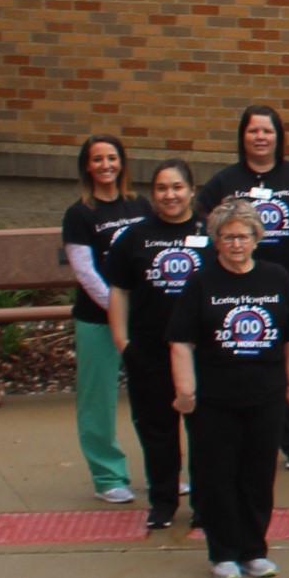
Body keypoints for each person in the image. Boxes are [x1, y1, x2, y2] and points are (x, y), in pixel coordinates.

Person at [167, 199, 289, 578]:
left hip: (266, 395)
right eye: (228, 237)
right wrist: (186, 391)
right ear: (216, 240)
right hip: (215, 399)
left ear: (256, 238)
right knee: (218, 476)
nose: (236, 244)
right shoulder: (201, 283)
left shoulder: (275, 277)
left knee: (258, 475)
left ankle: (253, 549)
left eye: (243, 236)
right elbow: (181, 341)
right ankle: (223, 553)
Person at [199, 105, 289, 469]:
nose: (260, 137)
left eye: (267, 131)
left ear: (279, 137)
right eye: (253, 131)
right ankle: (247, 438)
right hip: (236, 294)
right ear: (242, 136)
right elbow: (204, 233)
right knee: (247, 363)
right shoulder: (223, 184)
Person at [108, 161, 209, 533]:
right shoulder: (134, 237)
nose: (171, 195)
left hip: (203, 354)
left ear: (192, 190)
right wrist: (123, 343)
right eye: (162, 188)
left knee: (206, 432)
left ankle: (205, 505)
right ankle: (163, 501)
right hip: (150, 351)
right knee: (157, 431)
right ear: (152, 194)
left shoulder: (211, 232)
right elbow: (119, 291)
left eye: (178, 187)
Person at [62, 136, 143, 505]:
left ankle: (164, 472)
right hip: (97, 319)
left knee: (155, 397)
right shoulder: (79, 214)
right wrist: (117, 308)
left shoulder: (139, 205)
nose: (106, 165)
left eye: (112, 157)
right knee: (98, 400)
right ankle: (107, 476)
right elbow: (85, 271)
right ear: (87, 166)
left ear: (122, 162)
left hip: (144, 318)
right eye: (97, 159)